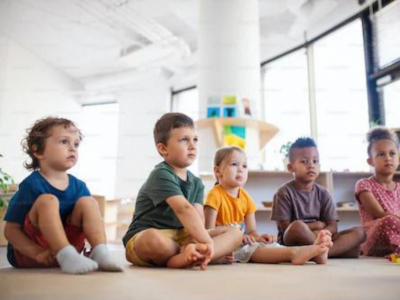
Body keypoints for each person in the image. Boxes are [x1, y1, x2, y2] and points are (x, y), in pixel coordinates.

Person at [122, 113, 242, 270]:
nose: (192, 145)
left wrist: (197, 241)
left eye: (195, 140)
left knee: (236, 233)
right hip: (153, 236)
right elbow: (183, 209)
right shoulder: (161, 174)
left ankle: (194, 254)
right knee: (152, 239)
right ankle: (197, 254)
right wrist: (207, 243)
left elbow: (198, 219)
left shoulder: (197, 182)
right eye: (185, 140)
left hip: (183, 236)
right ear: (163, 148)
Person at [4, 117, 123, 274]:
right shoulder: (31, 185)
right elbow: (11, 230)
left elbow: (89, 223)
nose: (72, 148)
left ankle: (100, 252)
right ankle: (65, 254)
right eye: (63, 142)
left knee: (88, 202)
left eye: (76, 144)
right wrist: (37, 252)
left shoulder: (79, 186)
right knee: (48, 200)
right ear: (38, 151)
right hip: (34, 253)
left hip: (73, 250)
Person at [204, 146, 332, 265]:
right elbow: (208, 231)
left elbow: (252, 231)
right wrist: (237, 239)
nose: (240, 169)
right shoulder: (214, 195)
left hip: (243, 242)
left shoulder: (246, 197)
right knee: (255, 251)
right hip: (227, 245)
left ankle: (315, 255)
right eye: (234, 164)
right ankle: (293, 254)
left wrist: (259, 237)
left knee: (270, 245)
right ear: (218, 171)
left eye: (244, 166)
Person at [272, 137, 365, 258]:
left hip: (321, 236)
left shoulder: (323, 193)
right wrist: (316, 226)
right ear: (290, 167)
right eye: (304, 161)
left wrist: (320, 233)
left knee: (360, 232)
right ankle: (332, 251)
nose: (311, 165)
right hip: (294, 241)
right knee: (297, 226)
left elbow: (333, 227)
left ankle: (322, 252)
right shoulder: (283, 193)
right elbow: (286, 229)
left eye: (315, 161)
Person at [355, 126, 400, 256]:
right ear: (370, 161)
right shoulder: (364, 184)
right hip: (374, 238)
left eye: (392, 153)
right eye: (381, 154)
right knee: (388, 220)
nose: (388, 158)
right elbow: (379, 213)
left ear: (398, 159)